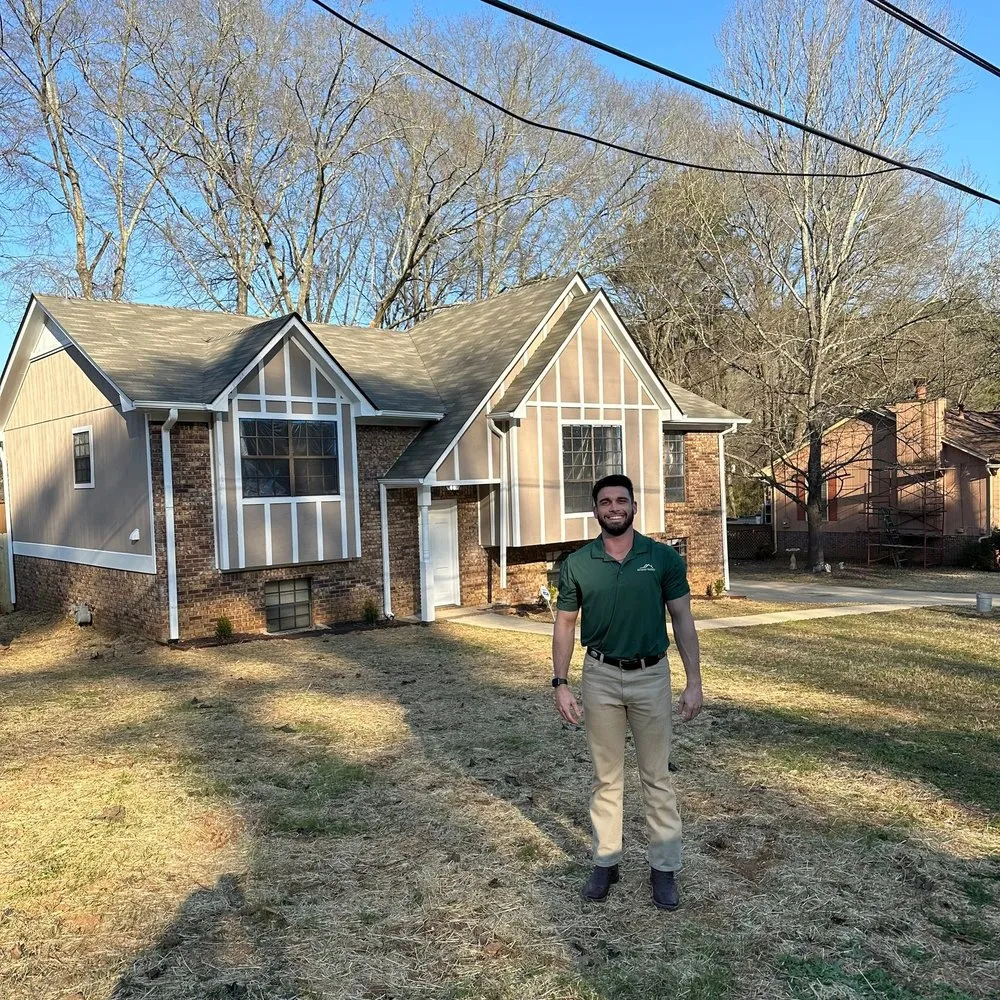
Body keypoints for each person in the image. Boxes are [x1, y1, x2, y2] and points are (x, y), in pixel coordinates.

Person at [551, 473, 702, 910]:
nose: (613, 507)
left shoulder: (663, 558)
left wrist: (694, 681)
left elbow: (683, 620)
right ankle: (606, 861)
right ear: (595, 510)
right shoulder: (578, 564)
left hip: (651, 676)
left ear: (634, 507)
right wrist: (560, 683)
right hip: (599, 677)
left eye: (621, 500)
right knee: (606, 778)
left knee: (656, 777)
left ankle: (664, 869)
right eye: (605, 502)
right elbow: (563, 625)